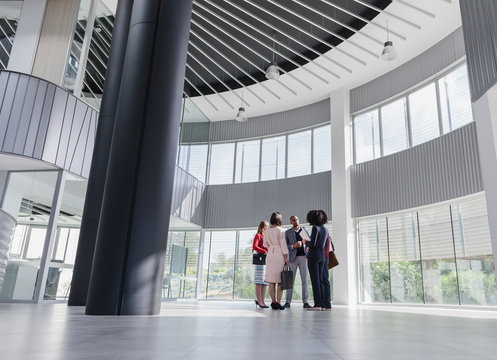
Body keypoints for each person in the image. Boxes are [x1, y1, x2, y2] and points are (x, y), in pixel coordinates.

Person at [263, 212, 290, 310]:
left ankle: (273, 302)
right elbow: (283, 245)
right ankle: (278, 302)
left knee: (271, 280)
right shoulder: (281, 230)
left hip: (270, 255)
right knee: (280, 280)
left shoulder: (267, 231)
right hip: (279, 255)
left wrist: (272, 246)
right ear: (279, 219)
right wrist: (286, 258)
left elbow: (265, 244)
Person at [283, 215, 311, 308]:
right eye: (294, 220)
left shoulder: (303, 231)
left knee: (305, 281)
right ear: (291, 222)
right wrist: (293, 246)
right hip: (292, 259)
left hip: (303, 257)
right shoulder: (288, 232)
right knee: (290, 281)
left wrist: (305, 243)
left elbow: (309, 243)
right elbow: (285, 246)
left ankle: (305, 302)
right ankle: (288, 302)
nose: (296, 221)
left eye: (297, 219)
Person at [305, 209, 329, 311]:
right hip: (322, 256)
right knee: (321, 280)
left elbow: (312, 244)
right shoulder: (325, 229)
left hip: (313, 257)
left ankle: (318, 304)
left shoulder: (315, 228)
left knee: (315, 281)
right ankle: (323, 304)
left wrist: (306, 241)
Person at [253, 220, 269, 308]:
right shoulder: (258, 235)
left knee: (264, 282)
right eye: (267, 226)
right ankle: (259, 301)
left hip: (267, 260)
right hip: (260, 260)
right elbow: (254, 246)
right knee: (259, 281)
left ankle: (262, 301)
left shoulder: (266, 237)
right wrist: (265, 251)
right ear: (263, 227)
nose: (268, 227)